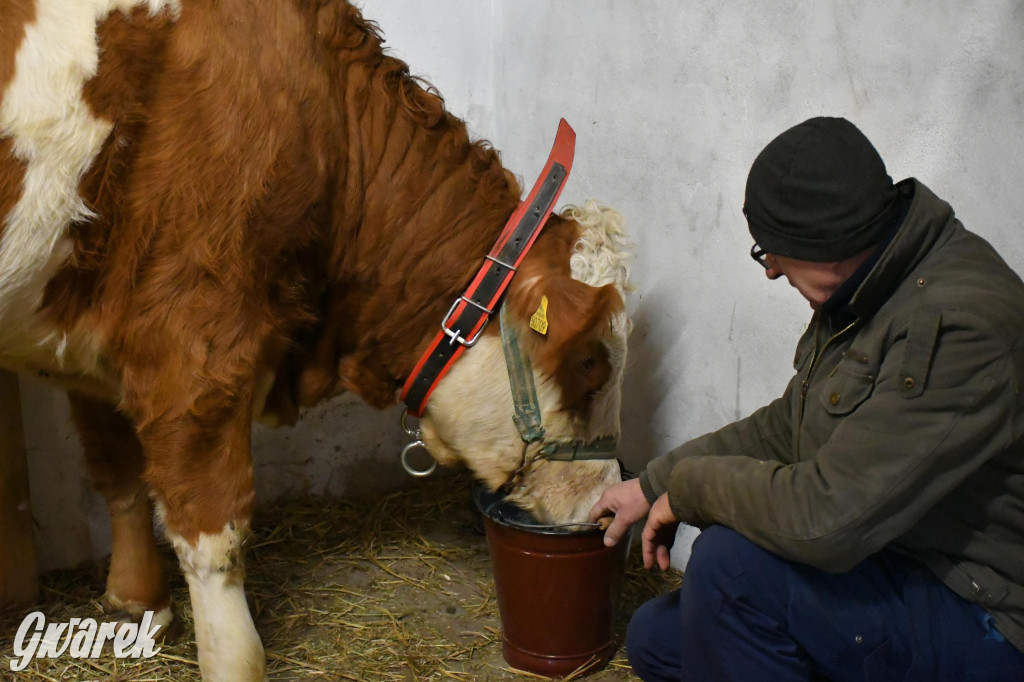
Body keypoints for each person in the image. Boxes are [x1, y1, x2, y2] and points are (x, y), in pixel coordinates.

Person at [590, 116, 1024, 681]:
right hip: (899, 559)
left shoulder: (957, 327)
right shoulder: (871, 287)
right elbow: (786, 429)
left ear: (828, 247)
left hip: (983, 614)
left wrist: (691, 492)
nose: (771, 270)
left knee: (730, 568)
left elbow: (827, 520)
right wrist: (652, 484)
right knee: (659, 638)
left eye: (773, 252)